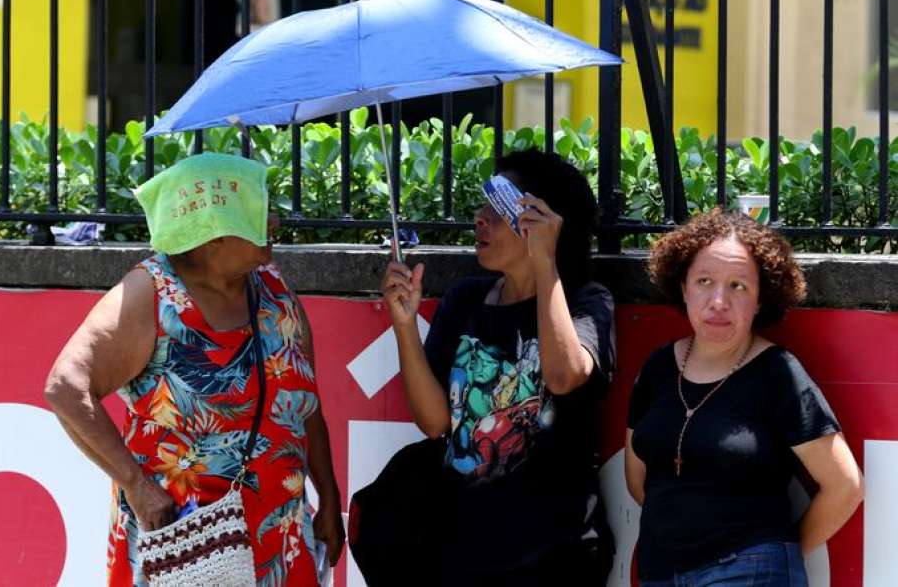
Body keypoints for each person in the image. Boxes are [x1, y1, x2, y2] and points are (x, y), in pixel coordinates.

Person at [44, 152, 344, 586]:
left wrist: (329, 499)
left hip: (278, 536)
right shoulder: (151, 294)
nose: (274, 222)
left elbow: (305, 403)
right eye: (258, 212)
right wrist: (137, 486)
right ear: (213, 235)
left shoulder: (275, 289)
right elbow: (65, 388)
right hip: (185, 546)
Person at [350, 148, 616, 586]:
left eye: (500, 207)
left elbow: (564, 376)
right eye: (483, 204)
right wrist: (404, 326)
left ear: (544, 221)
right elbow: (434, 422)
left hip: (554, 554)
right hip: (461, 550)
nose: (480, 218)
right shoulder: (466, 299)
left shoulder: (587, 301)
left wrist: (545, 262)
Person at [625, 208, 864, 585]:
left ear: (760, 300)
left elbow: (845, 486)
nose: (718, 301)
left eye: (739, 286)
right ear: (683, 287)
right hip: (661, 572)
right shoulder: (657, 368)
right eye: (704, 281)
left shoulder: (778, 373)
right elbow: (639, 480)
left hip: (748, 571)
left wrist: (773, 554)